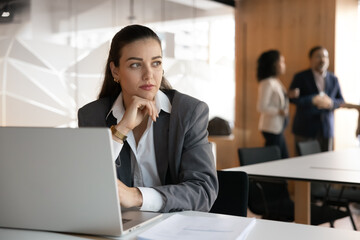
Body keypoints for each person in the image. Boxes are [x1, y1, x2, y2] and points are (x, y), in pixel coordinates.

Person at [77, 24, 218, 213]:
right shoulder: (92, 116)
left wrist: (137, 196)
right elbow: (85, 185)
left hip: (172, 226)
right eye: (135, 65)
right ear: (115, 71)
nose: (149, 75)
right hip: (117, 227)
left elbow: (203, 190)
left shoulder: (189, 113)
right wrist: (122, 129)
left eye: (156, 63)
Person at [289, 46, 344, 152]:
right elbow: (292, 99)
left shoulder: (333, 79)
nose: (322, 59)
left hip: (326, 129)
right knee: (301, 164)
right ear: (310, 59)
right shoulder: (300, 77)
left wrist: (331, 103)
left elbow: (341, 101)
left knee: (326, 164)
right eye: (318, 56)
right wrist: (312, 99)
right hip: (305, 129)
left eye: (325, 57)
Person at [256, 50, 299, 159]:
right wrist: (278, 111)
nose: (284, 65)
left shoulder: (275, 81)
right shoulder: (267, 82)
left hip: (278, 127)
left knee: (281, 158)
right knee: (278, 158)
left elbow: (277, 99)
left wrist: (288, 95)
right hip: (271, 128)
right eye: (282, 62)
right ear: (274, 64)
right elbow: (261, 106)